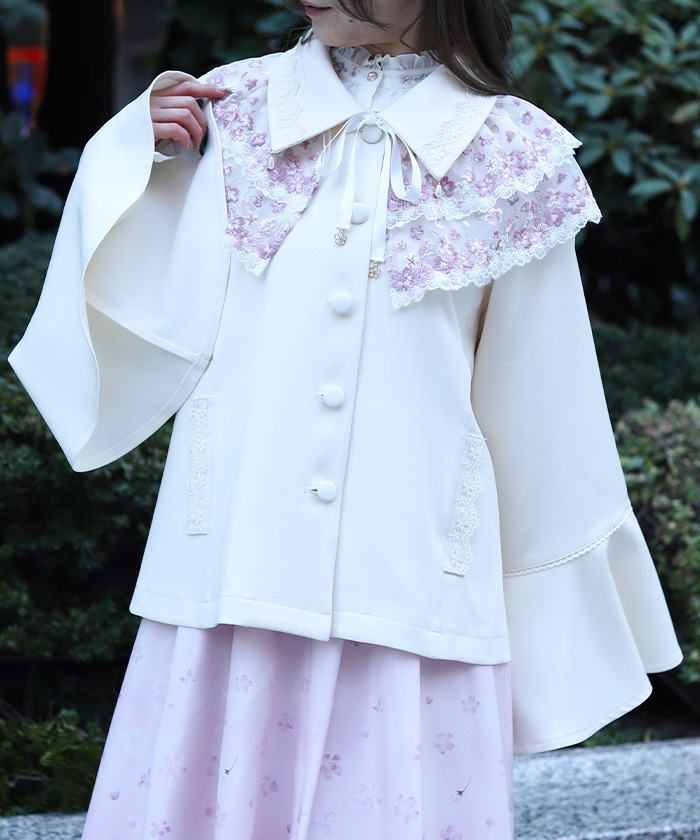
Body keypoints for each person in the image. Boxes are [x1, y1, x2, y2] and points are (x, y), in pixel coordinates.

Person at [8, 1, 683, 838]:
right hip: (233, 577)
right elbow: (152, 316)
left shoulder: (513, 154)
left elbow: (544, 407)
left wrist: (552, 620)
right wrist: (132, 158)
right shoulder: (234, 113)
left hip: (411, 589)